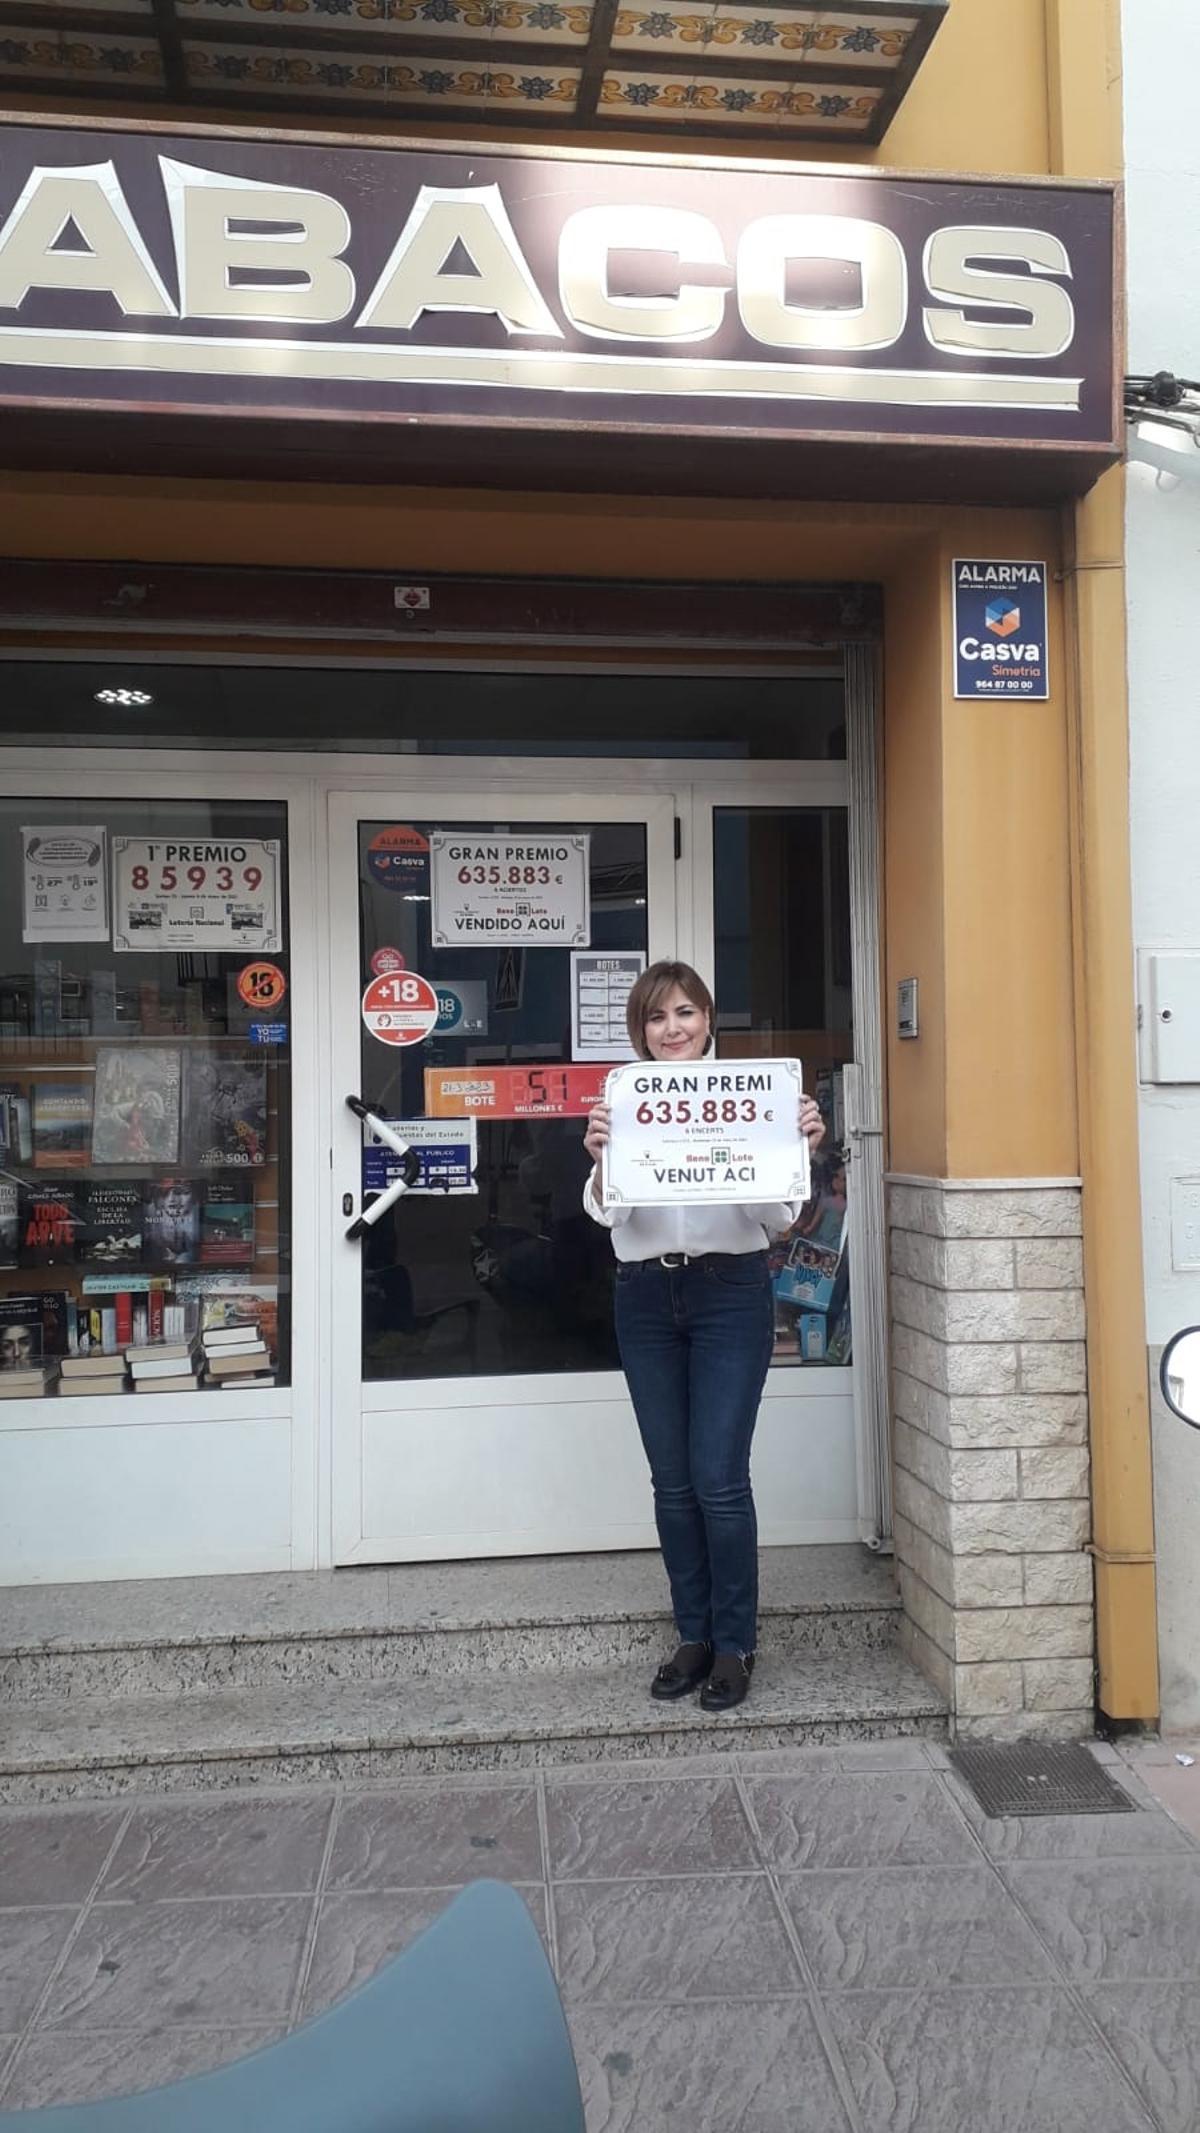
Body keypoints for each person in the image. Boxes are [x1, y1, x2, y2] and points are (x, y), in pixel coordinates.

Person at [583, 960, 825, 1714]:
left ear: (709, 1019)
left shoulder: (752, 1099)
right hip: (645, 1295)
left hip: (729, 1293)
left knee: (719, 1478)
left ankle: (734, 1642)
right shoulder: (623, 1102)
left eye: (685, 1012)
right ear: (640, 1030)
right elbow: (608, 1213)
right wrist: (602, 1157)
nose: (673, 1028)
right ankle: (692, 1635)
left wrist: (792, 1149)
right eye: (657, 1016)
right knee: (673, 1481)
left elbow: (777, 1218)